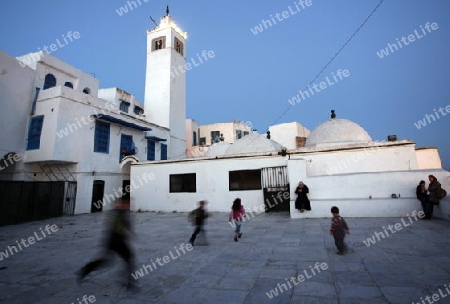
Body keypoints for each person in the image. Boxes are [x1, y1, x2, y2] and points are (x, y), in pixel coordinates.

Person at [77, 202, 136, 290]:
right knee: (128, 259)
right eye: (127, 206)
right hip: (117, 242)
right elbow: (120, 229)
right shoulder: (119, 216)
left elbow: (124, 226)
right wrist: (127, 233)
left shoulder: (118, 214)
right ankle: (129, 282)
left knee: (107, 261)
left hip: (112, 242)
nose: (129, 207)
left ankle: (86, 270)